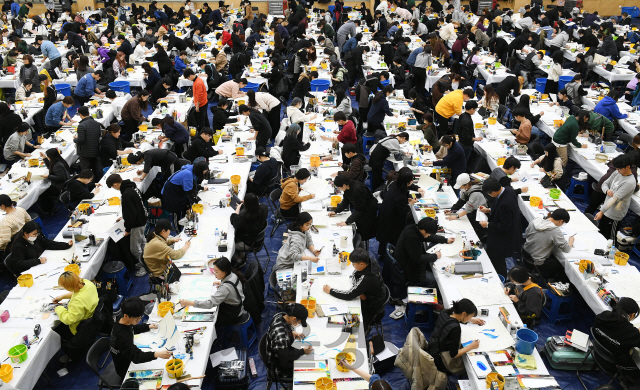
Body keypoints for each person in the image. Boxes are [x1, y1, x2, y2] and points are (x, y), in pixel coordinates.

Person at [322, 248, 386, 330]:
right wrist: (360, 290)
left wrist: (330, 291)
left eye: (353, 264)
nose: (352, 266)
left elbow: (349, 295)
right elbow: (354, 275)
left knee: (341, 325)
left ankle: (363, 330)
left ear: (362, 264)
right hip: (372, 297)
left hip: (370, 309)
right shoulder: (370, 262)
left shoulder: (368, 278)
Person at [111, 297, 172, 379]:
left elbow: (132, 328)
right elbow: (136, 357)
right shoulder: (121, 336)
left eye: (140, 317)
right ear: (126, 316)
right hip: (126, 368)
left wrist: (148, 326)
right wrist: (156, 354)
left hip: (127, 355)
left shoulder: (122, 319)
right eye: (136, 319)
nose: (139, 320)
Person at [179, 256, 248, 326]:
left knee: (208, 319)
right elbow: (231, 287)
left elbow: (210, 304)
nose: (215, 274)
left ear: (225, 272)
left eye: (217, 272)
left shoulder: (225, 288)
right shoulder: (232, 274)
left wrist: (190, 303)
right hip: (239, 305)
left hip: (233, 313)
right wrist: (222, 283)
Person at [105, 174, 148, 276]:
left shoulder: (126, 194)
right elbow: (135, 207)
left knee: (135, 249)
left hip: (137, 224)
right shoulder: (132, 187)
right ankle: (146, 261)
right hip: (142, 220)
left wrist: (128, 229)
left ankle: (145, 267)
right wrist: (124, 218)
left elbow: (131, 213)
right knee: (142, 243)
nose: (113, 188)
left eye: (112, 186)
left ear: (115, 184)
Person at [427, 299, 485, 374]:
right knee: (472, 366)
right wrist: (471, 346)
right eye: (471, 315)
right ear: (464, 313)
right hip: (441, 361)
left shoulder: (445, 312)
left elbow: (452, 320)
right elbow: (454, 354)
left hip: (432, 348)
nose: (470, 318)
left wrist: (470, 319)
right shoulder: (455, 328)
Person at [51, 272, 99, 362]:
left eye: (65, 287)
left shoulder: (78, 302)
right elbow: (76, 292)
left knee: (56, 330)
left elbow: (69, 319)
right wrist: (62, 297)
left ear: (69, 286)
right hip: (92, 318)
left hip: (81, 326)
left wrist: (58, 308)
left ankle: (71, 353)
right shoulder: (87, 283)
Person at [478, 178, 520, 277]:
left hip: (502, 238)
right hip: (509, 230)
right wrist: (489, 210)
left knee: (497, 260)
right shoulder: (507, 189)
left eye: (489, 194)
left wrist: (487, 224)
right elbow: (502, 210)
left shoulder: (505, 204)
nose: (489, 196)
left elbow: (505, 226)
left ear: (493, 192)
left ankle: (501, 278)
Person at [395, 216, 454, 288]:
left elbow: (429, 237)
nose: (429, 235)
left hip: (410, 261)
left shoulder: (413, 228)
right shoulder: (412, 238)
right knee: (436, 280)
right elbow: (418, 258)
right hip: (411, 269)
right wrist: (435, 256)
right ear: (424, 231)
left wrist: (445, 240)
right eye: (429, 233)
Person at [593, 297, 640, 383]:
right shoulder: (630, 332)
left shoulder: (603, 315)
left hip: (597, 352)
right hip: (612, 363)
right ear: (632, 315)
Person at [377, 167, 420, 254]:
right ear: (407, 182)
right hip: (392, 221)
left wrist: (406, 200)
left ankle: (382, 253)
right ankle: (393, 255)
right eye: (411, 181)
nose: (412, 182)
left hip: (384, 215)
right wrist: (410, 204)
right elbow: (402, 212)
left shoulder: (395, 184)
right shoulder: (400, 195)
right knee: (393, 239)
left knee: (384, 239)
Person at [522, 208, 572, 282]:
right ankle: (557, 283)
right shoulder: (554, 230)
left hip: (526, 254)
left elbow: (527, 233)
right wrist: (571, 240)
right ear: (561, 221)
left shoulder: (535, 221)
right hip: (538, 262)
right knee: (563, 264)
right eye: (563, 223)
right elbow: (566, 249)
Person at [265, 303, 312, 379]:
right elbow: (285, 358)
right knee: (309, 366)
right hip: (280, 367)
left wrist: (291, 332)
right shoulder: (280, 335)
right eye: (299, 322)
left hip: (281, 353)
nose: (299, 324)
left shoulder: (281, 315)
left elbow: (283, 329)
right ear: (294, 319)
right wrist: (303, 351)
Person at [594, 154, 636, 239]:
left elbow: (615, 198)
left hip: (614, 214)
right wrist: (606, 190)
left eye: (620, 168)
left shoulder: (629, 182)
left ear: (628, 167)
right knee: (600, 233)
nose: (617, 170)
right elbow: (605, 183)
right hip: (606, 208)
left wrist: (601, 211)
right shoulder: (617, 172)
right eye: (616, 168)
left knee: (610, 238)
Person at [331, 176, 378, 240]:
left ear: (344, 185)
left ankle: (363, 242)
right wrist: (336, 211)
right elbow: (345, 201)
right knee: (358, 223)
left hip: (368, 208)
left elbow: (359, 209)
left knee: (365, 229)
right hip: (361, 206)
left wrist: (347, 222)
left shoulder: (357, 190)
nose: (339, 189)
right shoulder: (348, 187)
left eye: (339, 187)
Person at [448, 173, 487, 239]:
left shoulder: (475, 194)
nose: (460, 188)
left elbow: (468, 209)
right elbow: (461, 201)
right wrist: (452, 210)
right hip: (472, 211)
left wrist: (456, 216)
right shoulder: (465, 190)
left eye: (460, 187)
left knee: (476, 233)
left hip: (479, 214)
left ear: (466, 185)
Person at [230, 192, 268, 260]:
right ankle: (242, 256)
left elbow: (234, 220)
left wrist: (238, 208)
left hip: (248, 243)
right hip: (258, 239)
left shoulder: (245, 216)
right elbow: (259, 205)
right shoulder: (264, 208)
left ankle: (239, 261)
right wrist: (250, 202)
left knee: (229, 246)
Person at [74, 106, 103, 179]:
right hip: (95, 149)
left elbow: (81, 140)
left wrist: (75, 139)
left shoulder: (81, 125)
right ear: (89, 113)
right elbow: (99, 135)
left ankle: (88, 185)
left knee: (86, 171)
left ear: (80, 115)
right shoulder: (96, 123)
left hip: (85, 152)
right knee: (96, 168)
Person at [39, 148, 71, 213]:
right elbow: (51, 167)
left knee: (43, 193)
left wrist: (48, 176)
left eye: (47, 156)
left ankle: (48, 210)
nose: (47, 157)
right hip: (64, 184)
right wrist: (44, 158)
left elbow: (61, 177)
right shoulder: (59, 160)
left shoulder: (57, 165)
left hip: (61, 186)